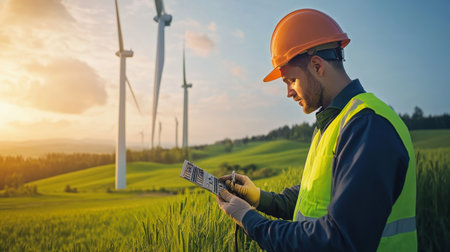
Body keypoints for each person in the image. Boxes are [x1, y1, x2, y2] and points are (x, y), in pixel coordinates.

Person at [217, 8, 417, 251]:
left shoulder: (367, 127)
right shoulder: (335, 123)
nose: (288, 92)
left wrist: (250, 220)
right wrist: (259, 198)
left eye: (291, 80)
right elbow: (313, 200)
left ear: (317, 66)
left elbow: (339, 240)